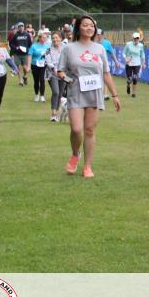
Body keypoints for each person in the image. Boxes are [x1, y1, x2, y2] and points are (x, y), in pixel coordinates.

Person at [57, 15, 121, 178]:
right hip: (76, 93)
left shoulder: (100, 49)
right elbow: (60, 71)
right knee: (76, 129)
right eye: (85, 25)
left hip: (94, 93)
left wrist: (115, 95)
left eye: (92, 26)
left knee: (90, 130)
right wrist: (68, 80)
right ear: (78, 28)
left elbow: (106, 73)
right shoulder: (69, 48)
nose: (89, 28)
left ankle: (87, 166)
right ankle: (75, 154)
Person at [27, 29, 52, 102]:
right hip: (34, 65)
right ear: (40, 38)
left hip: (43, 65)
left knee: (42, 80)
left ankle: (42, 96)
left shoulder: (47, 46)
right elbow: (30, 56)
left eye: (46, 37)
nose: (45, 39)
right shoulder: (34, 46)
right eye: (43, 37)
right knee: (36, 81)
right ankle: (36, 95)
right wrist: (28, 66)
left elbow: (49, 56)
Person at [45, 31, 66, 122]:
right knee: (56, 92)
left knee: (60, 93)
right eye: (53, 38)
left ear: (61, 38)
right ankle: (53, 114)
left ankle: (57, 113)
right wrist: (56, 70)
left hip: (64, 74)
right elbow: (48, 62)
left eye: (56, 37)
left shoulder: (66, 48)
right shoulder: (48, 50)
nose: (55, 39)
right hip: (52, 74)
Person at [123, 32, 147, 98]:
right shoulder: (128, 44)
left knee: (135, 78)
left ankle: (133, 93)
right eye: (135, 38)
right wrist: (126, 58)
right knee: (129, 79)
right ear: (133, 38)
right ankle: (128, 85)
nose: (136, 39)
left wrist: (143, 63)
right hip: (129, 63)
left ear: (139, 39)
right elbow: (123, 53)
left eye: (137, 38)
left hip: (137, 64)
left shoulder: (141, 45)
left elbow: (142, 55)